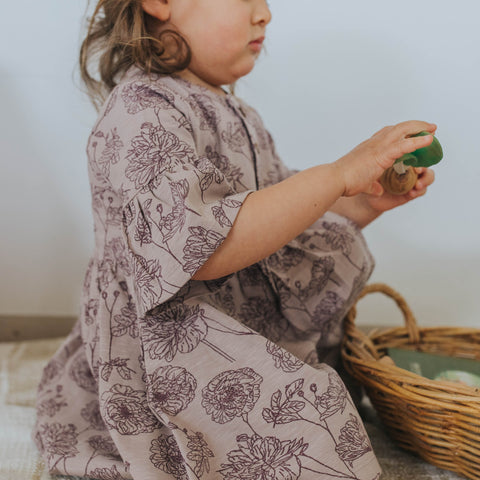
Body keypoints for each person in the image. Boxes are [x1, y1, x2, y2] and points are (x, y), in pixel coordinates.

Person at [33, 1, 436, 479]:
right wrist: (338, 174)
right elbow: (201, 247)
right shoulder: (143, 109)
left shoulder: (236, 110)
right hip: (174, 343)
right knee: (306, 435)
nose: (264, 13)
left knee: (326, 395)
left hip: (244, 320)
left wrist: (365, 198)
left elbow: (281, 216)